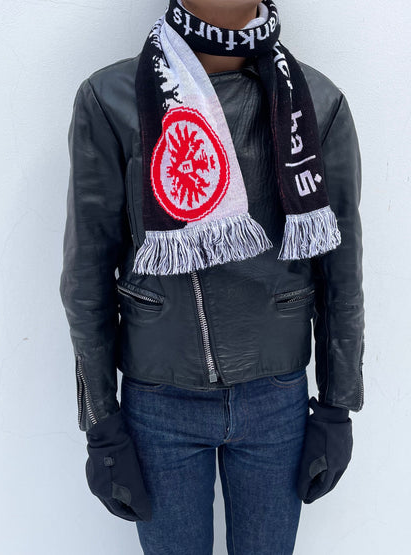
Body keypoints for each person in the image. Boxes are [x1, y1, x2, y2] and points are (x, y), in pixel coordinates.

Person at [59, 0, 365, 553]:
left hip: (278, 402)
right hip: (159, 404)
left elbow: (340, 272)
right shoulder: (112, 99)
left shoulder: (316, 103)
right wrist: (101, 423)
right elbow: (87, 276)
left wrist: (337, 406)